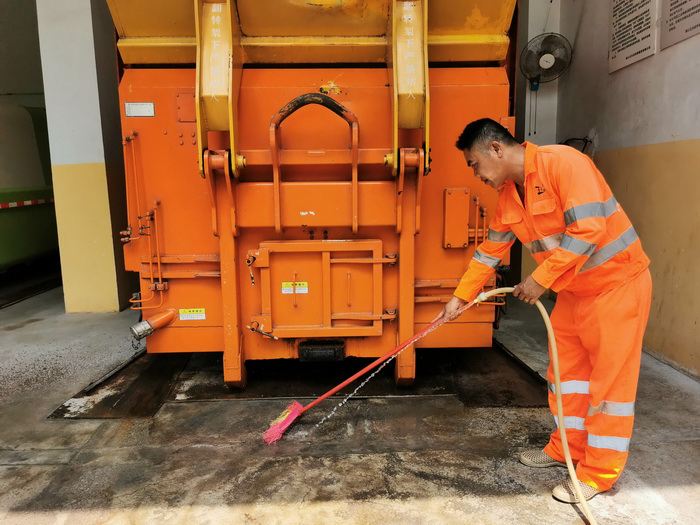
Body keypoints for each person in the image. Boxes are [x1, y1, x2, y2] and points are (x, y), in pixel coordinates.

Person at [433, 118, 652, 503]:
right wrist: (460, 297)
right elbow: (489, 253)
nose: (476, 175)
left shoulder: (563, 163)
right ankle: (566, 449)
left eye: (475, 164)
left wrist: (539, 279)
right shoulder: (509, 197)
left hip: (616, 286)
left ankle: (598, 473)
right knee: (566, 379)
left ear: (496, 149)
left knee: (608, 388)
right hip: (574, 292)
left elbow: (589, 229)